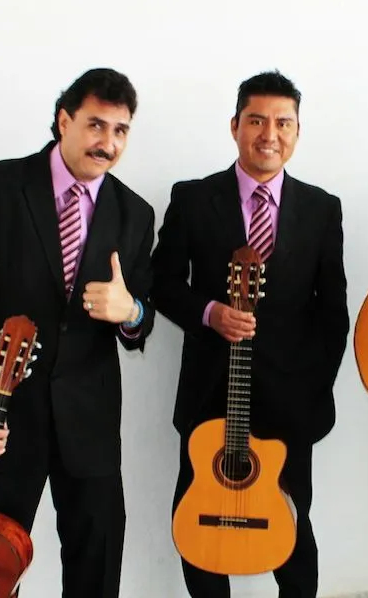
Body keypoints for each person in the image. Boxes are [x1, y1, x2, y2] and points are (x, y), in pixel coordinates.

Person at [0, 67, 156, 598]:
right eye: (95, 125)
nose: (108, 143)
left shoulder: (135, 213)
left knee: (97, 567)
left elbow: (140, 319)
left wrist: (130, 311)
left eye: (120, 131)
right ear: (64, 121)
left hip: (89, 427)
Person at [150, 70, 349, 598]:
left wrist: (312, 389)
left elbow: (333, 313)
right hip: (210, 395)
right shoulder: (193, 199)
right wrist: (209, 312)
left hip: (289, 402)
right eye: (257, 120)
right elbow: (160, 282)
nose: (269, 134)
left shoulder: (322, 208)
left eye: (283, 123)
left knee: (291, 529)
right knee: (200, 528)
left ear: (297, 132)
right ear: (235, 126)